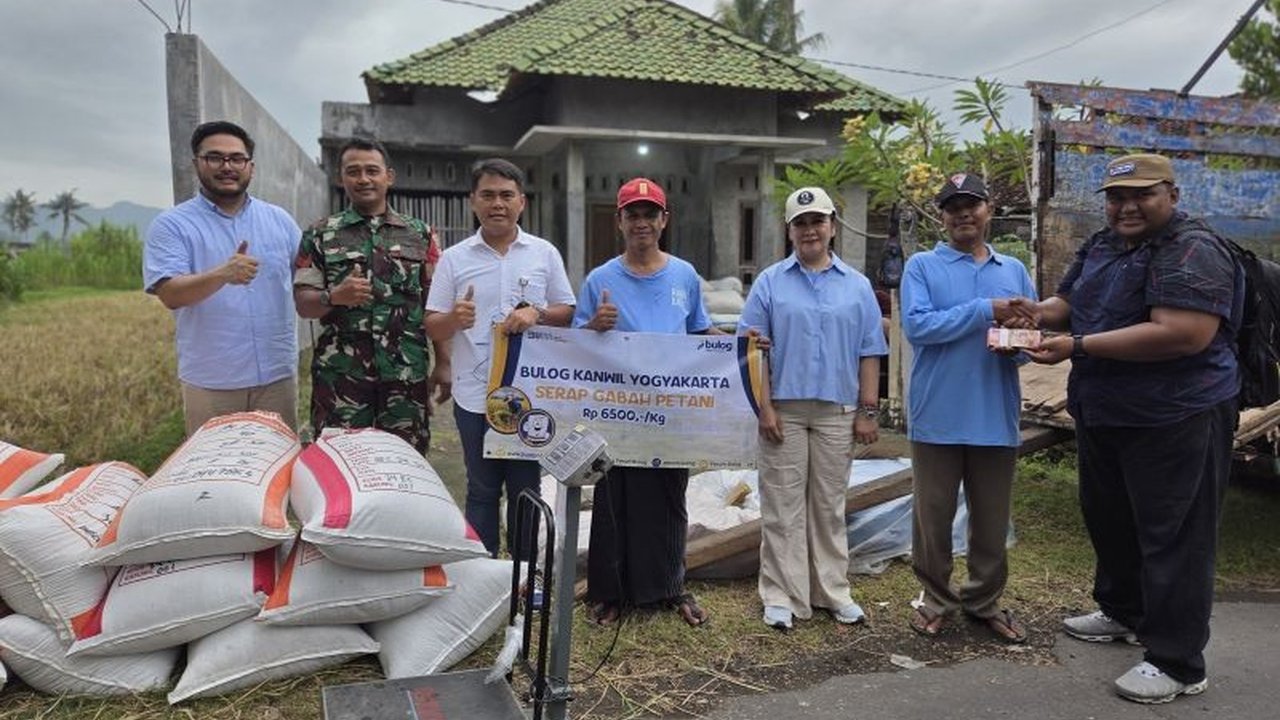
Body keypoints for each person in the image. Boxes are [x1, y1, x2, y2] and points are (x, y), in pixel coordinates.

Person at [1026, 153, 1241, 704]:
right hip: (1107, 410)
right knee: (1111, 519)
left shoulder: (1193, 249)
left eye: (1141, 195)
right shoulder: (1103, 244)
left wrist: (1075, 346)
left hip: (1176, 415)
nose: (1126, 206)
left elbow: (1184, 332)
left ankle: (1177, 661)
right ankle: (1123, 612)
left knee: (1175, 538)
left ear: (1171, 193)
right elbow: (1069, 303)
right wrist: (1033, 313)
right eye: (1117, 197)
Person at [738, 186, 888, 631]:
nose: (810, 231)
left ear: (832, 228)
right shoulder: (769, 282)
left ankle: (832, 591)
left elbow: (870, 352)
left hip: (836, 413)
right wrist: (764, 407)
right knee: (782, 505)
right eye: (800, 223)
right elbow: (749, 351)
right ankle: (781, 595)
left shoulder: (857, 286)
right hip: (782, 409)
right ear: (789, 231)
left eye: (817, 221)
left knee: (828, 505)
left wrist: (868, 411)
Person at [900, 173, 1038, 644]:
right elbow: (918, 328)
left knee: (992, 521)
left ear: (989, 210)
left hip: (994, 415)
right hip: (937, 414)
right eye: (953, 206)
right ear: (941, 216)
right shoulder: (922, 266)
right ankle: (936, 599)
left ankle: (983, 600)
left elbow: (1029, 340)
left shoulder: (1014, 270)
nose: (963, 213)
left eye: (972, 204)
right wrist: (987, 310)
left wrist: (1014, 345)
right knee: (933, 519)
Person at [575, 177, 715, 628]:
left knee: (669, 499)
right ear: (619, 221)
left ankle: (668, 587)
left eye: (649, 214)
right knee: (615, 496)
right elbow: (573, 347)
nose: (641, 223)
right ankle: (611, 593)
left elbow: (699, 334)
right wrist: (595, 324)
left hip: (670, 411)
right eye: (632, 214)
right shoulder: (600, 279)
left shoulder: (684, 275)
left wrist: (740, 346)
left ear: (663, 220)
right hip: (617, 409)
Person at [425, 158, 575, 557]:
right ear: (473, 201)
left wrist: (537, 312)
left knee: (526, 489)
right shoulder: (455, 259)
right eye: (488, 195)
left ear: (521, 202)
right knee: (482, 489)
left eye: (506, 195)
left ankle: (524, 579)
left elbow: (568, 312)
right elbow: (432, 325)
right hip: (474, 396)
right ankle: (483, 572)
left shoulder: (543, 253)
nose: (497, 204)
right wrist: (454, 318)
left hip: (530, 397)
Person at [143, 120, 301, 435]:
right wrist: (222, 274)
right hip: (212, 381)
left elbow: (307, 275)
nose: (227, 166)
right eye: (215, 158)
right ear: (196, 164)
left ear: (251, 167)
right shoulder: (173, 225)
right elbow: (170, 293)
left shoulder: (279, 220)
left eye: (236, 159)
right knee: (213, 477)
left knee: (278, 469)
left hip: (276, 376)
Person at [293, 138, 447, 454]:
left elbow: (435, 303)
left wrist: (444, 362)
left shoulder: (420, 234)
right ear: (340, 178)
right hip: (342, 378)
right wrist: (333, 296)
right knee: (339, 464)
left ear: (388, 176)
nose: (363, 179)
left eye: (372, 170)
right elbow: (303, 303)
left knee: (405, 464)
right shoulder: (319, 234)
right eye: (353, 171)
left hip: (404, 377)